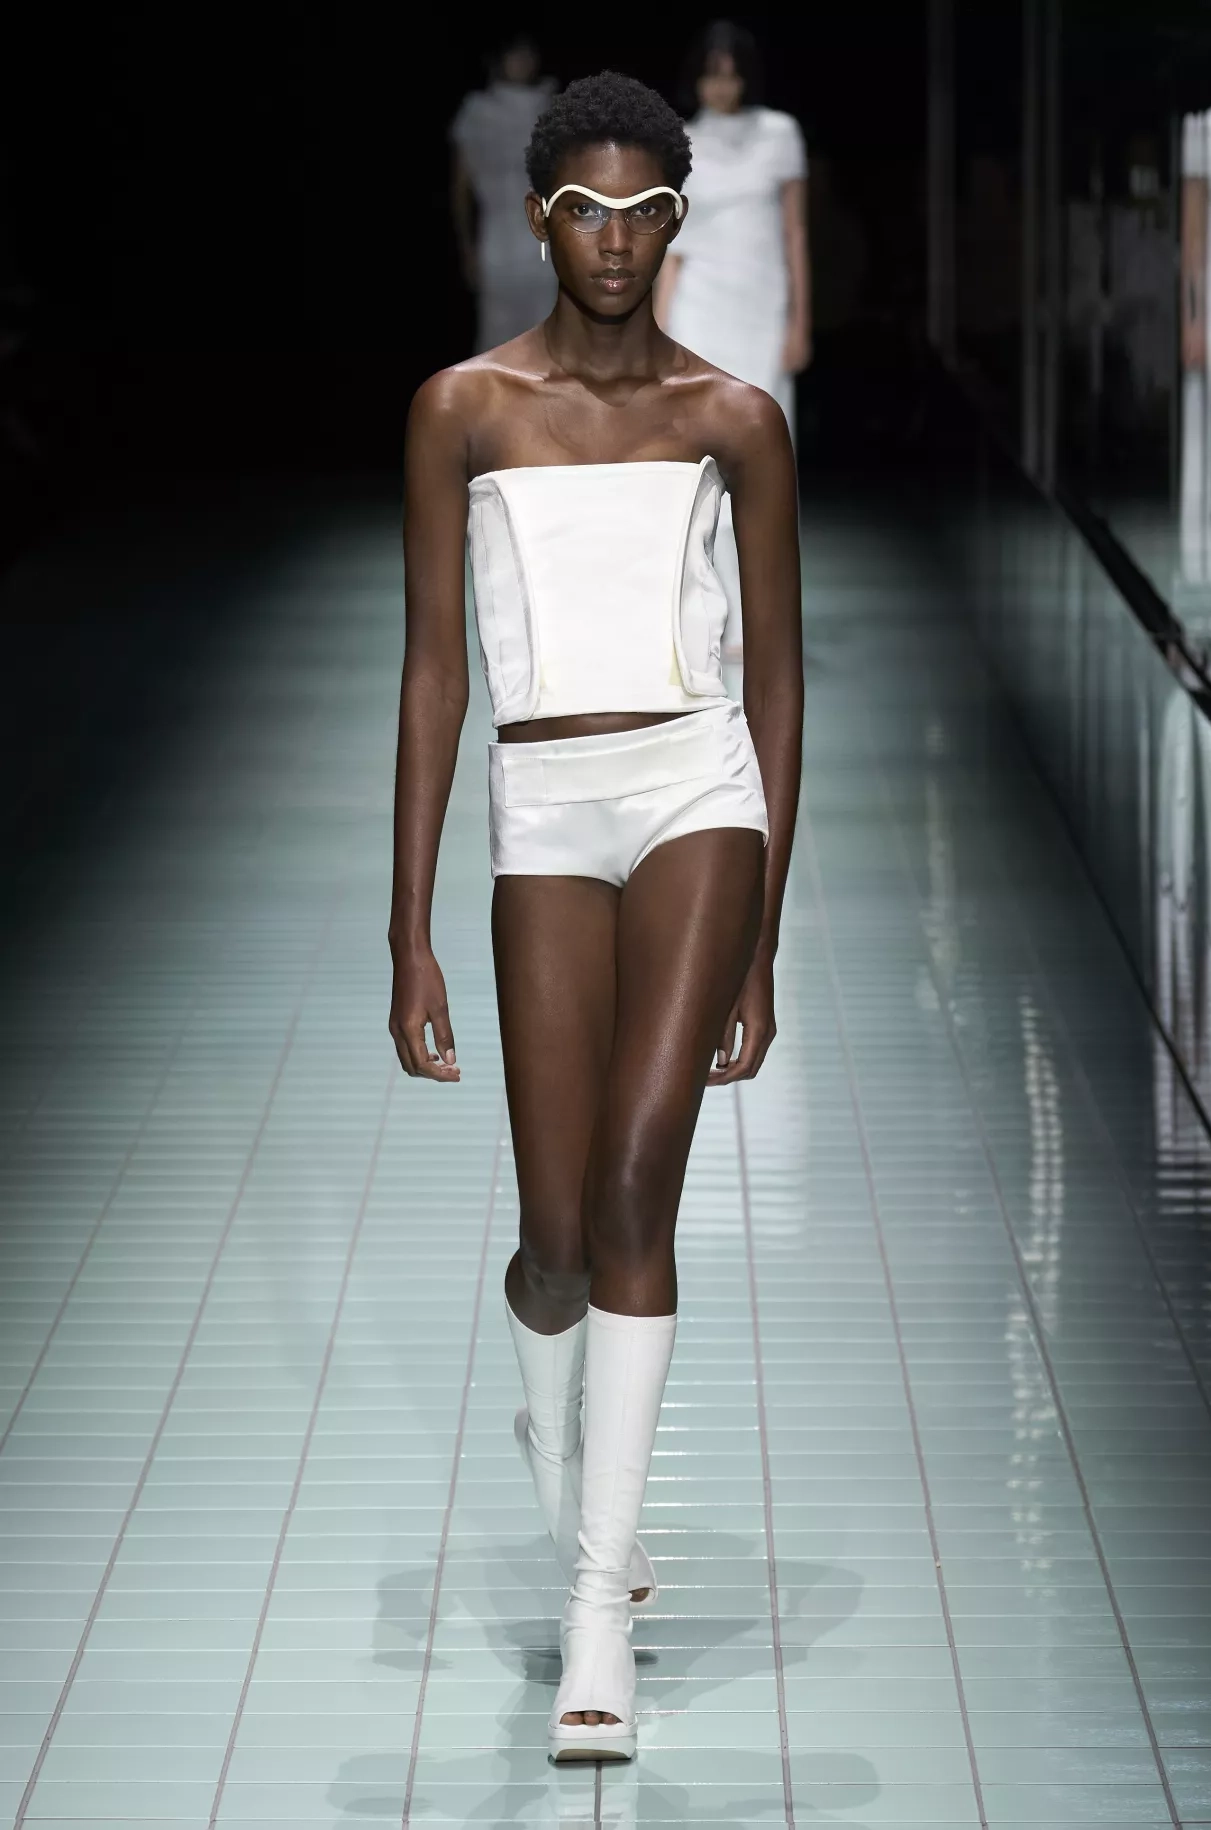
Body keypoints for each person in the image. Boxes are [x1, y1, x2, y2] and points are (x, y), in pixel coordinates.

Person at [389, 70, 803, 1764]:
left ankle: (596, 1610)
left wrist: (764, 933)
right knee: (556, 1236)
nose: (617, 241)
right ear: (539, 219)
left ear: (675, 224)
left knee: (639, 1184)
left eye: (647, 213)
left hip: (698, 790)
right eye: (588, 212)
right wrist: (408, 930)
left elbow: (778, 680)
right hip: (545, 809)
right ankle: (554, 1422)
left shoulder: (735, 420)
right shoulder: (462, 411)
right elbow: (434, 674)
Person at [655, 24, 811, 659]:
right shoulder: (678, 140)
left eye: (732, 72)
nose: (722, 85)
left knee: (766, 458)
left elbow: (796, 231)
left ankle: (759, 616)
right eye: (712, 73)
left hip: (761, 308)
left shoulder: (780, 134)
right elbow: (669, 246)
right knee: (699, 462)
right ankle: (707, 615)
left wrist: (800, 320)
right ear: (696, 78)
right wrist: (655, 333)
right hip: (699, 309)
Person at [449, 33, 557, 351]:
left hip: (543, 240)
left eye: (528, 53)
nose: (523, 61)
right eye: (515, 54)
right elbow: (460, 188)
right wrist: (467, 246)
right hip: (496, 240)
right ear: (498, 60)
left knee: (546, 337)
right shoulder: (477, 112)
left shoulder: (550, 106)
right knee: (497, 338)